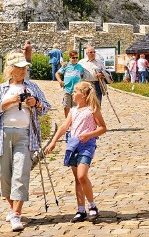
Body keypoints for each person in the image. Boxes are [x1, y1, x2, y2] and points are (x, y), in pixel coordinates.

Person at [0, 51, 51, 231]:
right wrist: (9, 102)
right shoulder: (2, 89)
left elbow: (46, 107)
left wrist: (36, 103)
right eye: (20, 68)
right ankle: (12, 207)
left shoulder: (33, 87)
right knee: (4, 177)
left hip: (25, 134)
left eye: (25, 68)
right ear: (11, 69)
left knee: (21, 174)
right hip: (2, 135)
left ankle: (16, 215)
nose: (24, 71)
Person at [46, 81, 107, 222]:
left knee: (82, 175)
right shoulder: (73, 110)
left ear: (84, 95)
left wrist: (89, 135)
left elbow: (103, 128)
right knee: (77, 179)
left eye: (75, 91)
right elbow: (64, 126)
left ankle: (92, 206)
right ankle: (81, 209)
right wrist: (54, 141)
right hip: (73, 145)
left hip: (87, 145)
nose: (73, 93)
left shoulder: (92, 109)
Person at [56, 50, 84, 117]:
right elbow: (57, 73)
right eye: (73, 58)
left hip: (76, 91)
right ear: (70, 58)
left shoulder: (80, 67)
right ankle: (67, 122)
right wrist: (60, 81)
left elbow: (83, 76)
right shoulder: (66, 66)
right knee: (66, 107)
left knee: (75, 108)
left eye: (76, 57)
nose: (75, 59)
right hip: (67, 90)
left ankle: (74, 122)